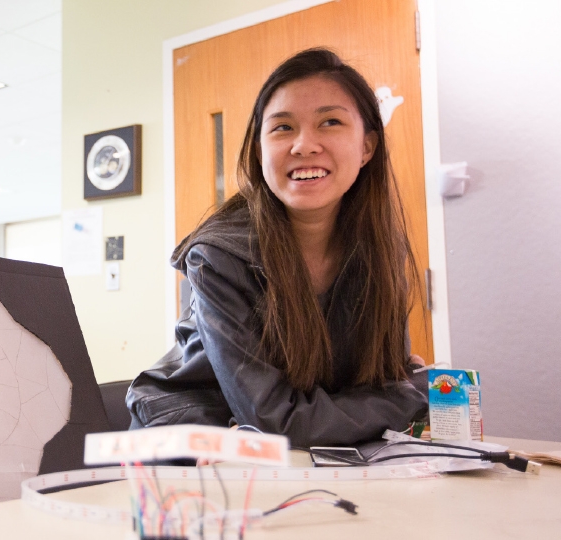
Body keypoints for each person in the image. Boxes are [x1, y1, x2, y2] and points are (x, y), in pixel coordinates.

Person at [126, 48, 428, 448]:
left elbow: (390, 378)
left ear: (367, 146)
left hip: (309, 452)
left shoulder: (377, 249)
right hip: (189, 446)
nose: (304, 145)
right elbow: (276, 424)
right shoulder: (218, 257)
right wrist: (408, 397)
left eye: (330, 122)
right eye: (283, 128)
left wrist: (402, 393)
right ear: (258, 149)